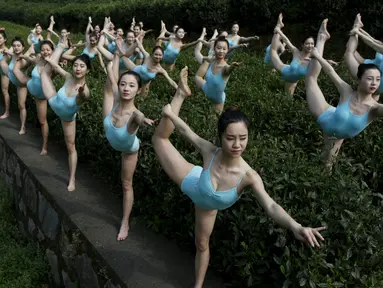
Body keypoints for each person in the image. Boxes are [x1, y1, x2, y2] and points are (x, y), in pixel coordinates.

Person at [152, 66, 326, 288]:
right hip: (192, 180)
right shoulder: (210, 151)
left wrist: (296, 226)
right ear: (221, 137)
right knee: (159, 140)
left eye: (243, 138)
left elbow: (271, 206)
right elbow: (188, 132)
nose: (237, 145)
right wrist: (169, 115)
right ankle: (178, 95)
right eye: (230, 138)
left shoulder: (249, 176)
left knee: (202, 244)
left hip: (206, 205)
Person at [305, 19, 383, 169]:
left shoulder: (375, 109)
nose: (374, 83)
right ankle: (321, 38)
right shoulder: (347, 90)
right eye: (370, 79)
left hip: (337, 134)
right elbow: (330, 71)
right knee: (310, 79)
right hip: (325, 115)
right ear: (359, 79)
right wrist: (318, 56)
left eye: (378, 80)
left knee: (326, 166)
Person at [103, 53, 154, 241]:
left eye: (132, 86)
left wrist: (144, 120)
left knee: (126, 184)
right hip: (114, 137)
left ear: (138, 90)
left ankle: (125, 222)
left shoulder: (135, 114)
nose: (126, 88)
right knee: (108, 88)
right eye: (123, 84)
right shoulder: (115, 97)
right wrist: (112, 63)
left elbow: (139, 118)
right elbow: (111, 80)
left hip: (128, 148)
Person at [40, 36, 91, 191]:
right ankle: (61, 45)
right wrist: (51, 55)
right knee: (43, 73)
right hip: (54, 101)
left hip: (67, 118)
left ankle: (72, 179)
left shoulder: (85, 91)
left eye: (81, 66)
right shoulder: (69, 77)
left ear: (87, 69)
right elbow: (55, 66)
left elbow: (84, 97)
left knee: (71, 148)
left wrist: (81, 93)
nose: (77, 68)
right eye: (75, 65)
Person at [12, 40, 54, 155]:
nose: (45, 52)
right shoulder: (39, 59)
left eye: (48, 50)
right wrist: (22, 56)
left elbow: (61, 69)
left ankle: (45, 147)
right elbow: (31, 60)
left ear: (52, 51)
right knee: (15, 70)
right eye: (43, 49)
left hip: (41, 96)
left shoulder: (52, 64)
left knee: (42, 121)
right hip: (31, 85)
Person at [194, 36, 241, 114]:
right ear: (214, 49)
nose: (221, 51)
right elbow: (198, 75)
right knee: (197, 76)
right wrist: (207, 59)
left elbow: (228, 69)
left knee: (212, 123)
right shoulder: (211, 61)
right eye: (218, 48)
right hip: (206, 89)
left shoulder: (225, 68)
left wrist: (232, 66)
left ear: (227, 50)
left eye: (224, 49)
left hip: (217, 101)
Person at [345, 13, 383, 101]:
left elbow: (373, 45)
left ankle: (355, 27)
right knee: (350, 51)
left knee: (349, 53)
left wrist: (357, 31)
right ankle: (356, 26)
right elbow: (373, 40)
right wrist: (359, 29)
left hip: (377, 82)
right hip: (373, 72)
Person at [0, 37, 28, 134]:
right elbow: (12, 54)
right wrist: (7, 52)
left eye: (18, 46)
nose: (16, 48)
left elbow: (30, 60)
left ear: (23, 47)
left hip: (21, 85)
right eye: (14, 46)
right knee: (2, 62)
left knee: (21, 106)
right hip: (13, 79)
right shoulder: (14, 55)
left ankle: (23, 127)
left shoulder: (23, 59)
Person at [0, 29, 10, 119]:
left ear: (5, 39)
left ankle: (7, 112)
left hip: (3, 72)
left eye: (0, 38)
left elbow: (7, 59)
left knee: (4, 91)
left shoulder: (6, 50)